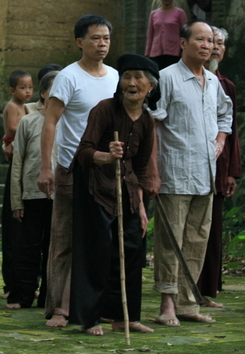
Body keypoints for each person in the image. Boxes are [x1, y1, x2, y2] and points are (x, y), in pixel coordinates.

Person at [37, 14, 119, 327]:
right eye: (96, 38)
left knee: (101, 240)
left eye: (106, 38)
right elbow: (50, 121)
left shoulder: (115, 77)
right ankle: (60, 308)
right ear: (79, 42)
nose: (102, 44)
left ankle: (95, 306)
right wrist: (47, 167)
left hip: (106, 170)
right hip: (72, 168)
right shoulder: (68, 77)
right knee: (65, 240)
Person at [71, 54, 160, 335]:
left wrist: (142, 208)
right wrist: (106, 155)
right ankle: (90, 319)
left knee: (133, 250)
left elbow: (143, 167)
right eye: (126, 77)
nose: (131, 83)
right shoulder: (105, 110)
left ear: (151, 86)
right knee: (97, 253)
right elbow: (83, 152)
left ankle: (126, 316)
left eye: (138, 77)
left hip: (128, 191)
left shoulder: (147, 120)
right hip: (96, 188)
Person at [151, 20, 232, 326]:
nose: (207, 45)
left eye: (211, 41)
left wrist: (221, 140)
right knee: (171, 241)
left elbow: (226, 113)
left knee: (197, 240)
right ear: (182, 43)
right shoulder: (166, 78)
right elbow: (153, 124)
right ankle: (167, 303)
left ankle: (187, 301)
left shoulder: (213, 82)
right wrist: (153, 171)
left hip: (204, 174)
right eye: (200, 39)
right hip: (174, 173)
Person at [6, 70, 58, 310]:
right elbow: (18, 163)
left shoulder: (73, 121)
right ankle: (21, 295)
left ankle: (49, 296)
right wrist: (16, 200)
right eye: (54, 89)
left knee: (54, 249)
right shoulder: (29, 121)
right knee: (26, 248)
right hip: (31, 194)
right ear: (44, 93)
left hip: (61, 197)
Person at [197, 27, 241, 307]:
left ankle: (208, 290)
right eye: (209, 41)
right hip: (191, 163)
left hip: (219, 165)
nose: (214, 47)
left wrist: (232, 171)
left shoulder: (226, 85)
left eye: (219, 43)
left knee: (213, 231)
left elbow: (232, 130)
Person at [1, 69, 33, 297]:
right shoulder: (13, 107)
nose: (28, 91)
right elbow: (13, 128)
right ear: (13, 90)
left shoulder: (28, 107)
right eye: (23, 88)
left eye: (30, 87)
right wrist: (27, 123)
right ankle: (10, 283)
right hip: (13, 145)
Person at [146, 0, 188, 70]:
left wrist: (184, 51)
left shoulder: (180, 13)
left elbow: (185, 33)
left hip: (174, 52)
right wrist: (147, 52)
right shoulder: (154, 14)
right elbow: (150, 34)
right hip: (156, 53)